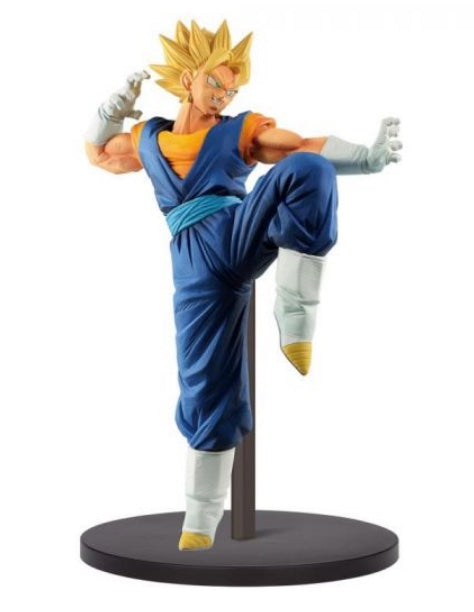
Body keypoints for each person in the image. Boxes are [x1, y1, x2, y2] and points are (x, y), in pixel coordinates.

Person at [85, 20, 402, 551]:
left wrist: (365, 159)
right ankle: (201, 518)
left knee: (308, 170)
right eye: (216, 83)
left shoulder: (238, 130)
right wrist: (112, 110)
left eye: (231, 90)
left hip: (239, 230)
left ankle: (295, 313)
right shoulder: (147, 139)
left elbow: (300, 145)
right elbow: (99, 154)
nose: (223, 96)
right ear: (188, 78)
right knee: (205, 381)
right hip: (194, 263)